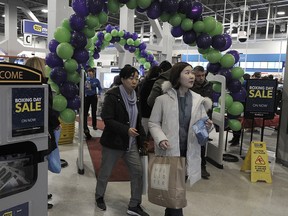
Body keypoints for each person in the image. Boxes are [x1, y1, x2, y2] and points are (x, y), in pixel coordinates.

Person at [148, 62, 213, 216]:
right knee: (176, 191)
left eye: (192, 73)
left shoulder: (198, 100)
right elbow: (153, 122)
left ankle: (170, 211)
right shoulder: (162, 100)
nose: (192, 76)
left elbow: (201, 127)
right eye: (187, 72)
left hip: (188, 151)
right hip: (170, 151)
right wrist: (160, 138)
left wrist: (208, 126)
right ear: (177, 76)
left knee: (176, 188)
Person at [95, 65, 149, 216]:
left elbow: (137, 120)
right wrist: (125, 130)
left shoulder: (136, 96)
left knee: (137, 172)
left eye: (137, 78)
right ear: (123, 79)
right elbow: (107, 119)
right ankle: (99, 196)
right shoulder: (113, 95)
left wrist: (143, 138)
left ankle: (134, 205)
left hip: (131, 143)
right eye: (131, 78)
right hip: (114, 142)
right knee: (106, 172)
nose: (134, 81)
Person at [25, 57, 61, 210]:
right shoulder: (42, 85)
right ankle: (39, 196)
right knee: (41, 163)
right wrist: (56, 124)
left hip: (29, 131)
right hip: (43, 131)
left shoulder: (22, 85)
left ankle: (40, 192)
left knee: (33, 165)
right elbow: (47, 110)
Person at [191, 66, 213, 179]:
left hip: (203, 120)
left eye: (203, 75)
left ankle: (202, 167)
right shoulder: (189, 86)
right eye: (198, 75)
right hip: (190, 119)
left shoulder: (209, 86)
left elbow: (210, 105)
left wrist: (209, 119)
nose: (201, 78)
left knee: (202, 143)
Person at [139, 65, 161, 134]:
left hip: (144, 113)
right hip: (155, 114)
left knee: (143, 135)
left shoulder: (144, 83)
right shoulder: (158, 84)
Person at [84, 68, 102, 140]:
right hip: (87, 97)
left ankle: (94, 125)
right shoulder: (85, 80)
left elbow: (100, 88)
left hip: (93, 97)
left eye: (91, 73)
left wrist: (99, 94)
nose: (90, 74)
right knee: (85, 112)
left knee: (94, 111)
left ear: (93, 73)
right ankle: (85, 126)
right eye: (89, 73)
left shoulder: (96, 80)